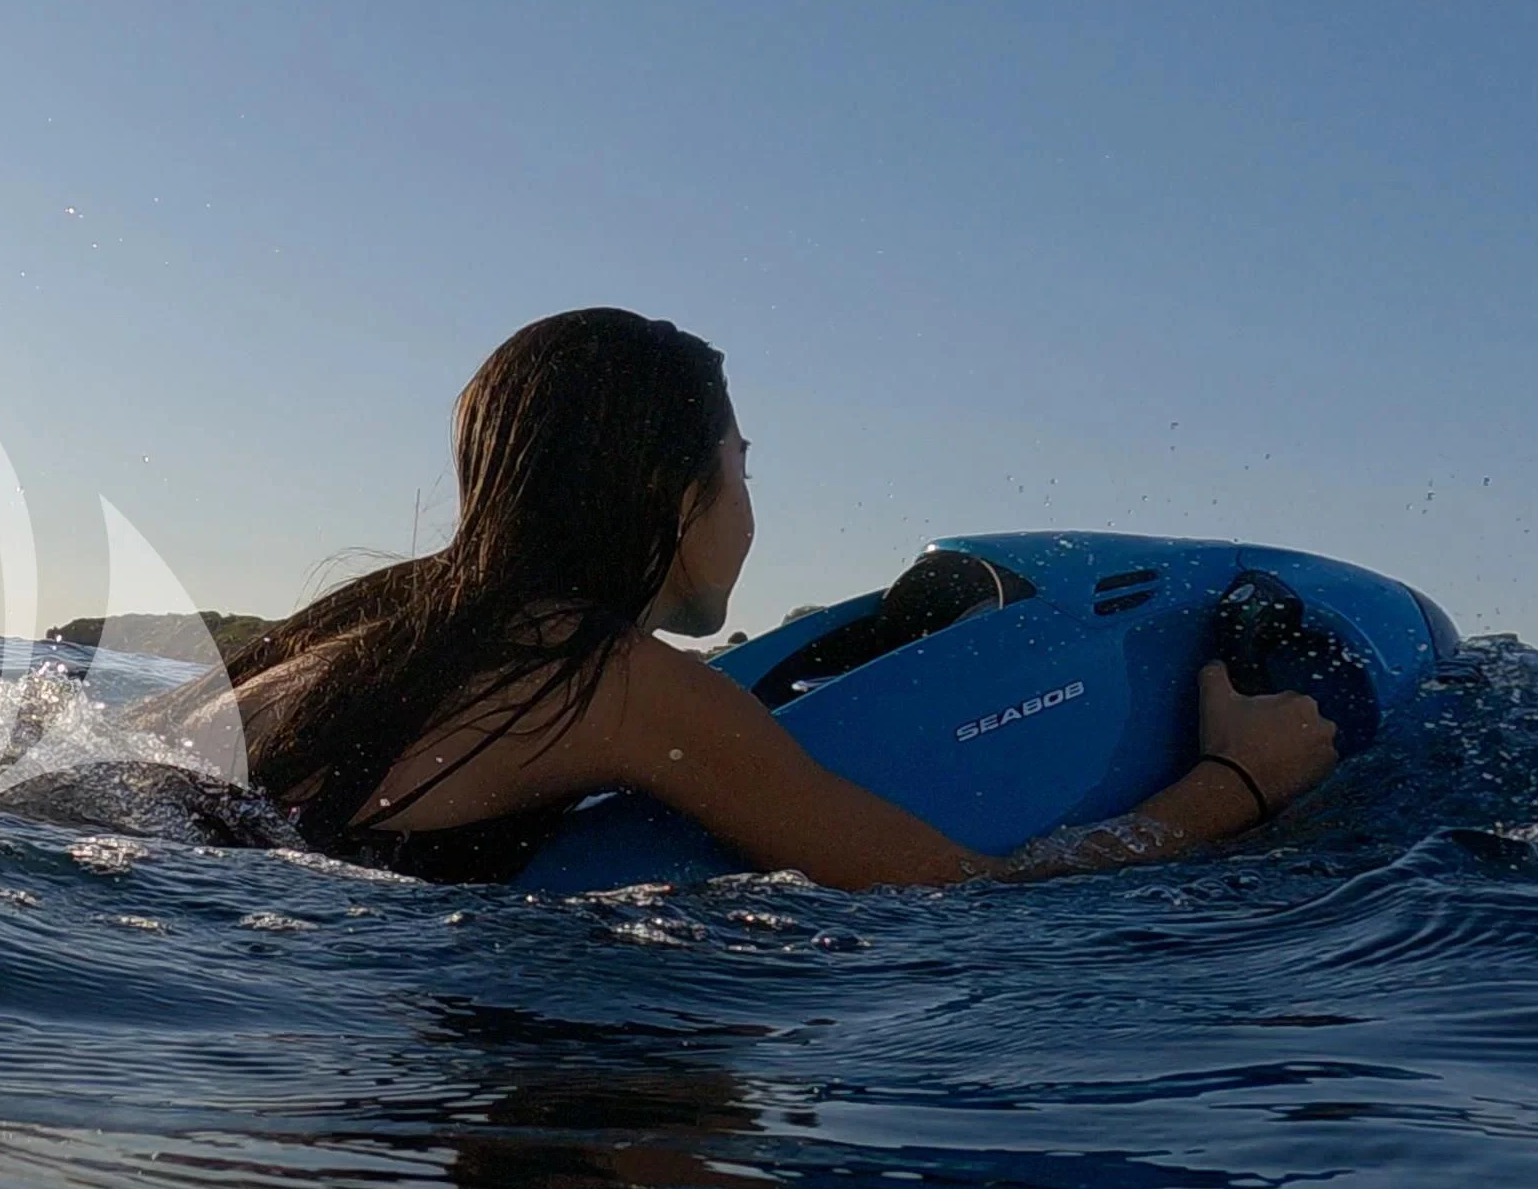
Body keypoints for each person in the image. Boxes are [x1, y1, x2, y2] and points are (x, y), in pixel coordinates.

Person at [212, 308, 1339, 889]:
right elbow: (958, 892)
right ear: (675, 495)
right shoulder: (623, 685)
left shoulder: (376, 619)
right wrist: (1238, 786)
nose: (751, 510)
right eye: (744, 469)